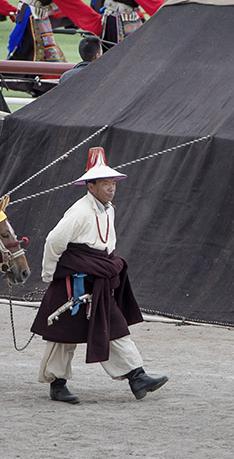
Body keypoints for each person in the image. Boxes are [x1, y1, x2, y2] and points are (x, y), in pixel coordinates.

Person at [30, 146, 167, 404]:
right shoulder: (79, 212)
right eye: (105, 183)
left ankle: (137, 376)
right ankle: (57, 385)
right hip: (73, 281)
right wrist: (50, 274)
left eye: (112, 182)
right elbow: (53, 241)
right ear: (90, 186)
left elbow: (107, 245)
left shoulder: (109, 209)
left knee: (114, 325)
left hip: (98, 279)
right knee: (63, 334)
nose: (111, 188)